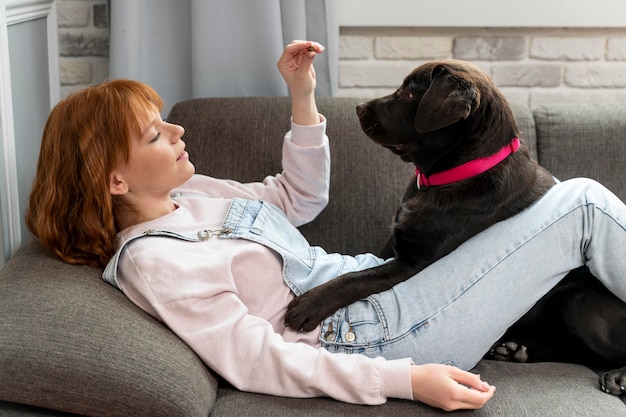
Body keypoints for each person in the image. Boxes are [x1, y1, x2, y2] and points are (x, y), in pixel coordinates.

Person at [26, 40, 626, 412]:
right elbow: (258, 359)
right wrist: (404, 381)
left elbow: (297, 195)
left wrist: (302, 96)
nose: (179, 132)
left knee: (578, 206)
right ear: (114, 182)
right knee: (584, 205)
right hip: (379, 335)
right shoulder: (156, 262)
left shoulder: (194, 193)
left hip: (381, 287)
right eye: (156, 133)